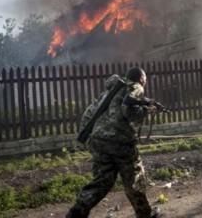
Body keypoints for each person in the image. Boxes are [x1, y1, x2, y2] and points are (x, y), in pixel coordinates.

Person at [66, 67, 160, 218]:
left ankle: (77, 212)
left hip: (98, 141)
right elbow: (128, 112)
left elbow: (90, 112)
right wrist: (147, 110)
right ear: (141, 79)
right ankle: (144, 214)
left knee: (103, 181)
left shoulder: (110, 91)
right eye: (145, 80)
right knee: (134, 178)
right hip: (120, 142)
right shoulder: (135, 87)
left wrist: (90, 138)